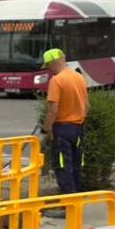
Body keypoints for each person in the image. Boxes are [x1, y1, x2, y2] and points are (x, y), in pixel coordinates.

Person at [41, 48, 89, 193]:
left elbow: (53, 110)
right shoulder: (79, 77)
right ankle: (76, 201)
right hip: (79, 128)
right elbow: (87, 106)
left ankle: (68, 205)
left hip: (62, 130)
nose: (49, 70)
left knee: (63, 166)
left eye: (48, 66)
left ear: (53, 63)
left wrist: (46, 129)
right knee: (76, 165)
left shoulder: (56, 81)